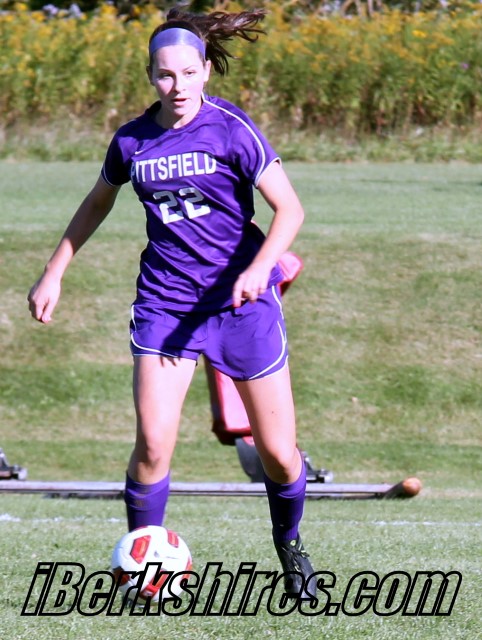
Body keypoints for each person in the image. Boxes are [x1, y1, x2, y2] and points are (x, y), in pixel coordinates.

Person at [27, 8, 317, 600]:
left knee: (280, 456)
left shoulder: (233, 128)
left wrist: (259, 269)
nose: (178, 85)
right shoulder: (132, 139)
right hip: (167, 306)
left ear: (206, 70)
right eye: (165, 74)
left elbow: (290, 210)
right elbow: (98, 202)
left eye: (188, 73)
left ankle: (289, 544)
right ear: (150, 77)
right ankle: (145, 569)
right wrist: (55, 270)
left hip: (242, 306)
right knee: (154, 446)